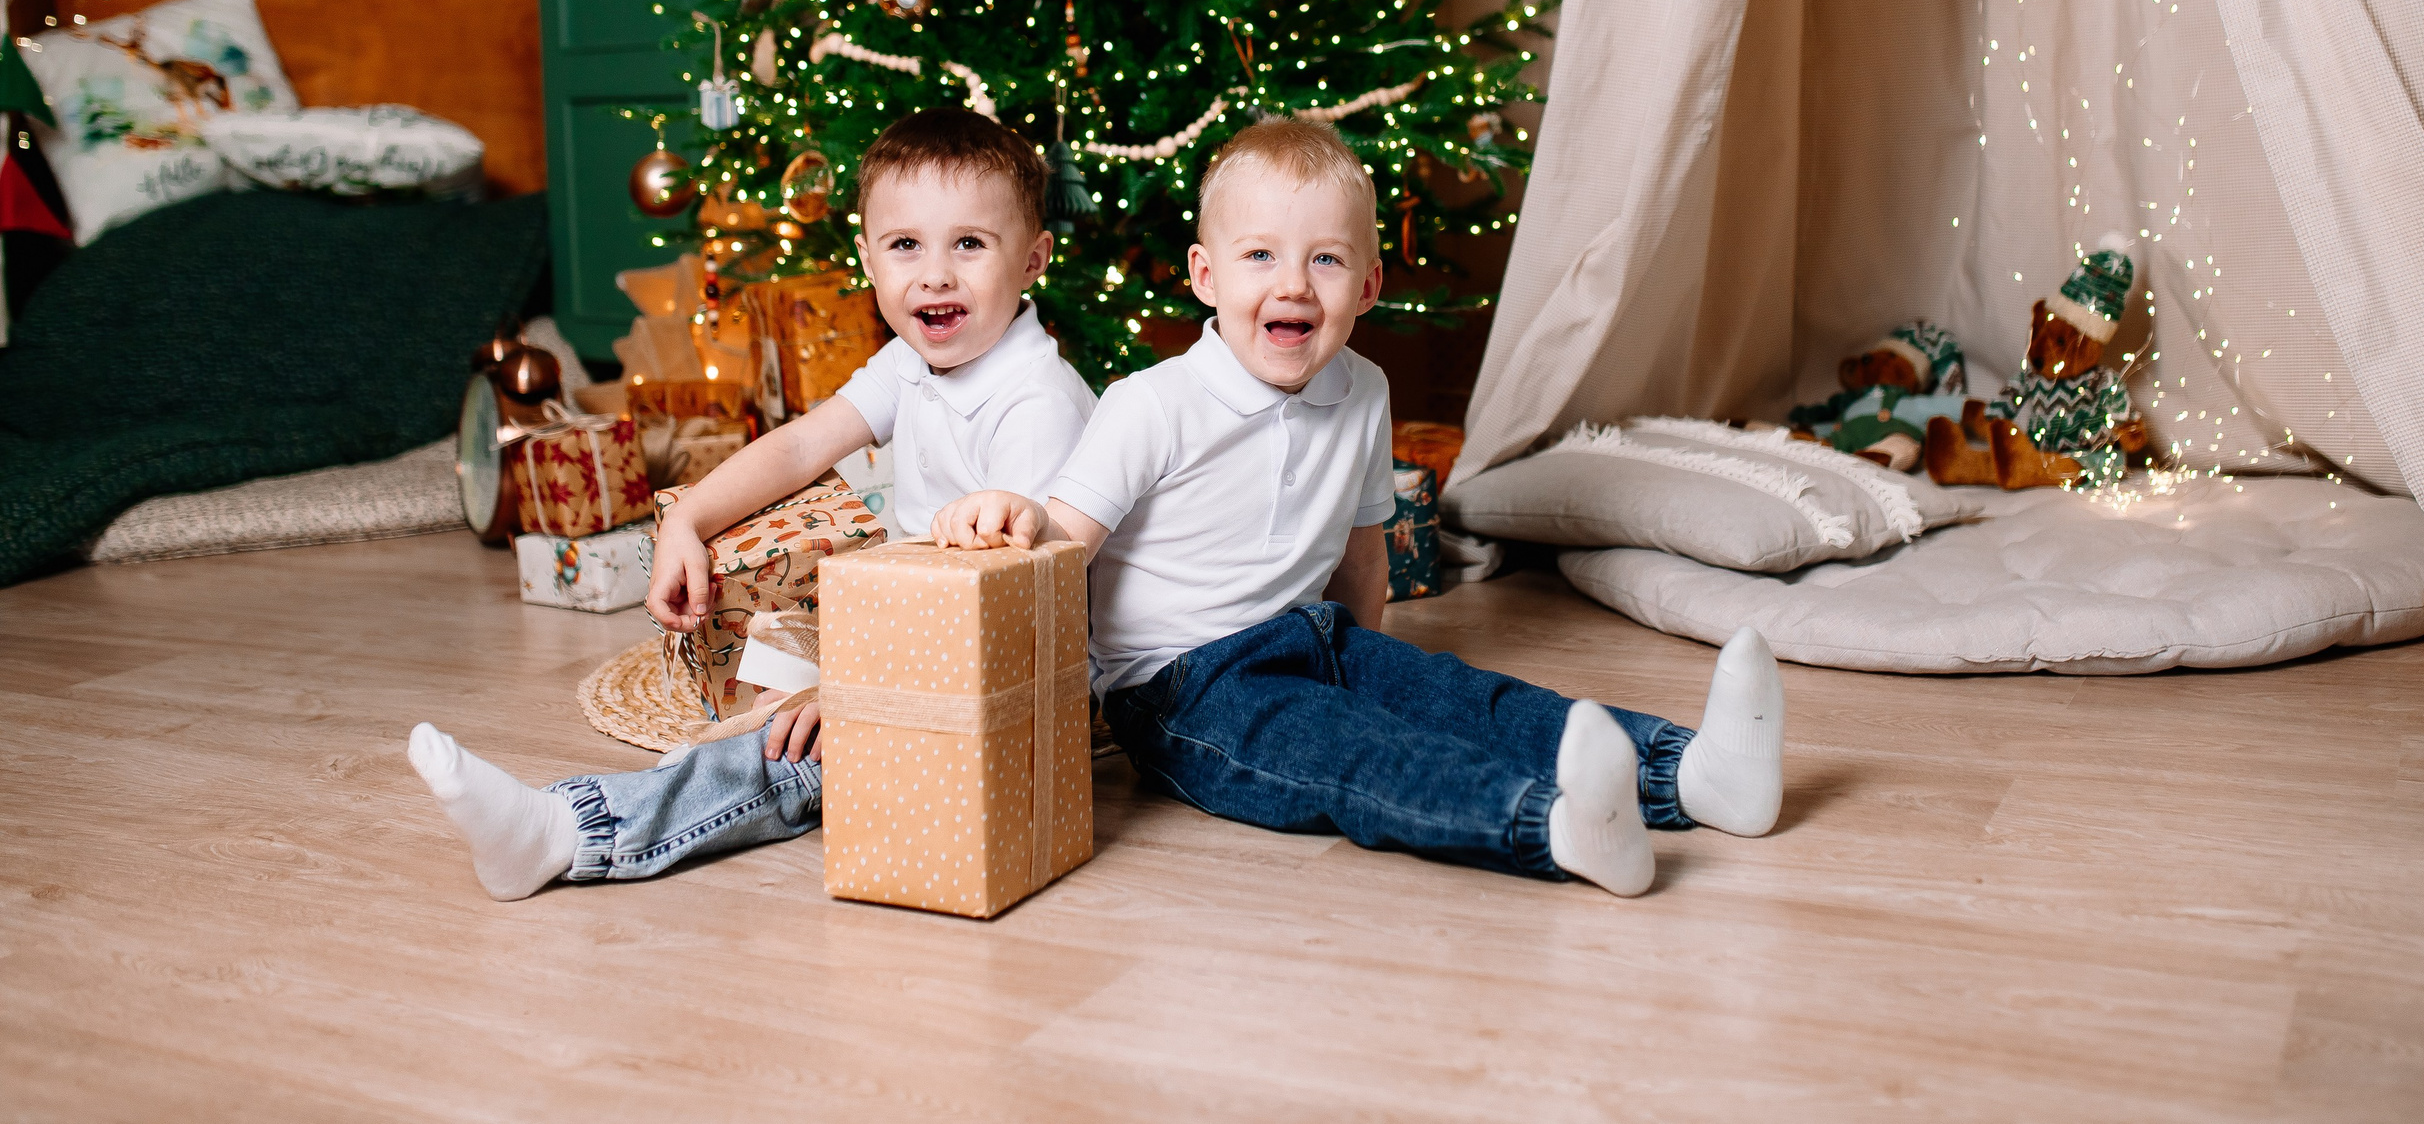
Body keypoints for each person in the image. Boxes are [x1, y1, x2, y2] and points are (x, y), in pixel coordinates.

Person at [933, 119, 1786, 895]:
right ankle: (1551, 824)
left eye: (1327, 259)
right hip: (1184, 685)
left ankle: (1692, 773)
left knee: (1463, 699)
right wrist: (1012, 511)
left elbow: (1362, 552)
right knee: (1357, 753)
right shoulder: (1152, 403)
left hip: (1316, 635)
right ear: (1206, 274)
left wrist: (1375, 669)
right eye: (1259, 256)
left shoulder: (1363, 390)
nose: (1294, 285)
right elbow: (1062, 542)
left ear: (1370, 283)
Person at [406, 108, 1095, 899]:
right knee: (773, 674)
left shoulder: (1034, 401)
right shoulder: (912, 361)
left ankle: (575, 830)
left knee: (798, 749)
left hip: (1009, 658)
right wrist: (689, 521)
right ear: (867, 257)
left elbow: (1017, 606)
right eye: (906, 245)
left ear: (1034, 257)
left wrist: (853, 687)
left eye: (969, 244)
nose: (934, 274)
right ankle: (722, 753)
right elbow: (800, 448)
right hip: (922, 619)